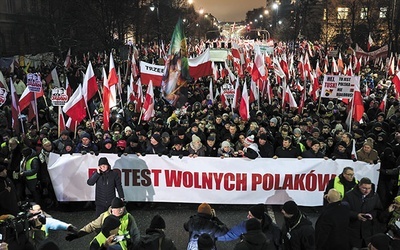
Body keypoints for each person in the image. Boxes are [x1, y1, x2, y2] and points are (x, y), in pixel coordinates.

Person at [66, 197, 140, 249]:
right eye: (118, 208)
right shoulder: (104, 215)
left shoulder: (128, 217)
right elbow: (91, 226)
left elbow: (135, 233)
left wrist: (135, 246)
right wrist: (77, 234)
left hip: (123, 243)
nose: (121, 210)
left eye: (122, 208)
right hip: (107, 242)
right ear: (112, 209)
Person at [342, 177, 384, 248]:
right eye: (364, 188)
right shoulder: (349, 195)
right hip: (353, 231)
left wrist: (371, 215)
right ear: (359, 186)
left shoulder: (374, 196)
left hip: (368, 231)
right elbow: (343, 211)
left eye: (369, 188)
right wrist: (356, 215)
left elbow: (378, 210)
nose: (367, 191)